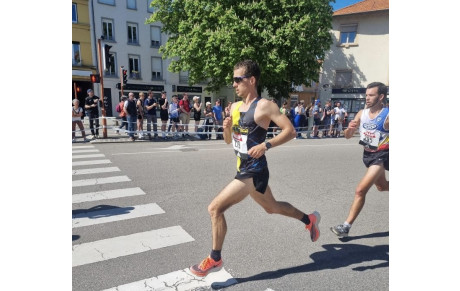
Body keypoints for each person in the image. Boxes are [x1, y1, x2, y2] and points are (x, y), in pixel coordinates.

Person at [189, 59, 321, 277]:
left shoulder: (266, 106)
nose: (233, 84)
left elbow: (290, 131)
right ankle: (309, 219)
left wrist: (265, 144)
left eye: (237, 80)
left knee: (215, 208)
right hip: (243, 166)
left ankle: (215, 258)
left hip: (255, 169)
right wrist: (227, 129)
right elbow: (228, 141)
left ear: (251, 80)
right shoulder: (235, 106)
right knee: (272, 207)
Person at [330, 82, 389, 237]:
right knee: (382, 187)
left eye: (371, 95)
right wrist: (349, 129)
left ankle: (345, 226)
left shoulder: (388, 115)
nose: (367, 98)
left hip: (381, 156)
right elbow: (348, 136)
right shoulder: (361, 113)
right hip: (367, 156)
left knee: (360, 190)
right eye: (366, 95)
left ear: (381, 96)